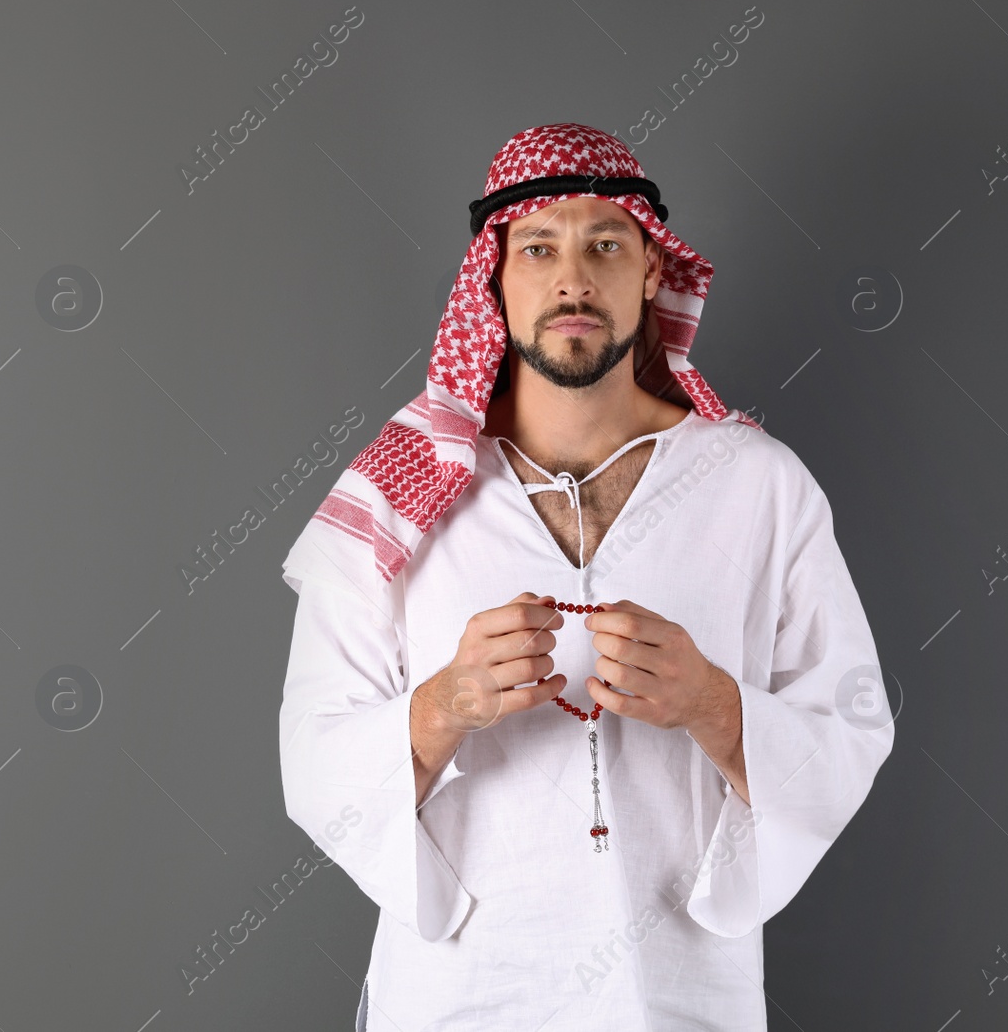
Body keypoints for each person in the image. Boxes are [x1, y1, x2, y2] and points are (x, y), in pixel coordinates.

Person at [277, 123, 894, 1030]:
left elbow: (852, 727)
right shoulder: (394, 501)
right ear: (494, 274)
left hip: (678, 1001)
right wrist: (442, 706)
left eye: (606, 243)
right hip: (461, 1001)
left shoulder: (759, 487)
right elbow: (312, 764)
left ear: (651, 270)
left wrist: (714, 705)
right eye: (540, 246)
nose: (574, 277)